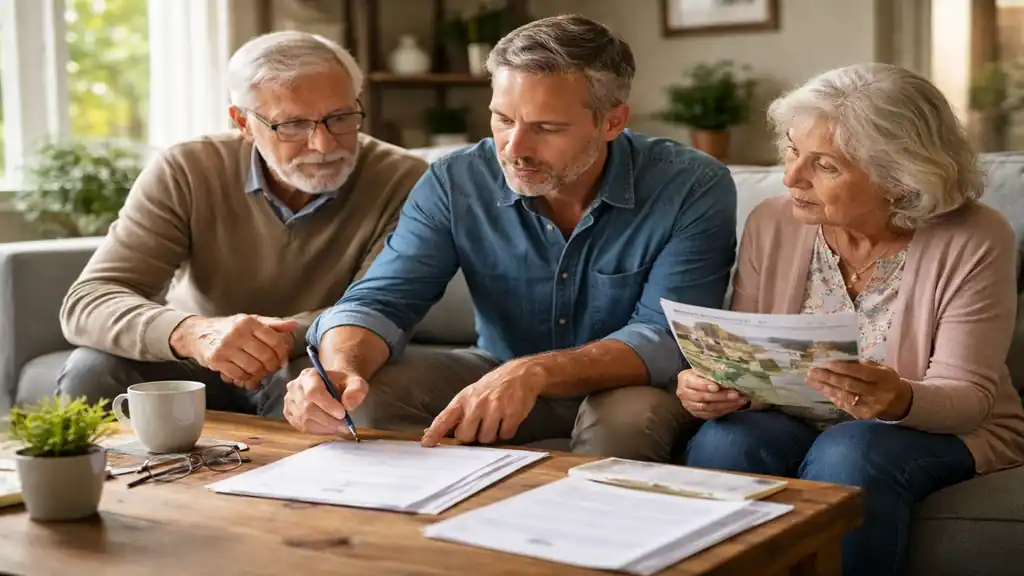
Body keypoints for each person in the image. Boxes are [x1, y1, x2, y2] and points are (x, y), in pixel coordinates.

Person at [281, 14, 738, 462]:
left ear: (613, 122)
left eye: (546, 127)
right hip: (495, 366)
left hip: (630, 387)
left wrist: (535, 371)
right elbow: (381, 300)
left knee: (624, 423)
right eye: (502, 119)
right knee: (365, 398)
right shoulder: (454, 179)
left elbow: (665, 337)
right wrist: (341, 368)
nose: (514, 148)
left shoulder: (692, 185)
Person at [677, 63, 1024, 576]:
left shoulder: (975, 237)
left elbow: (969, 398)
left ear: (899, 178)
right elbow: (748, 350)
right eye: (793, 151)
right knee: (726, 438)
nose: (791, 176)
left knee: (852, 449)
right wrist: (714, 384)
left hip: (940, 427)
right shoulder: (771, 222)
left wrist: (899, 397)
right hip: (793, 418)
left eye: (825, 165)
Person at [56, 31, 427, 417]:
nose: (323, 144)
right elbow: (90, 300)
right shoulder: (186, 169)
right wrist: (195, 333)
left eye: (340, 118)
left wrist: (267, 342)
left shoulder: (404, 179)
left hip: (313, 357)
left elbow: (382, 306)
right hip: (197, 357)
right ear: (243, 123)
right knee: (92, 370)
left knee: (332, 393)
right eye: (294, 125)